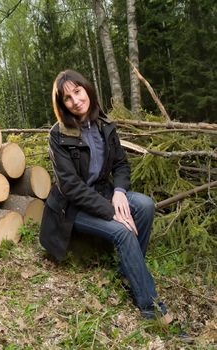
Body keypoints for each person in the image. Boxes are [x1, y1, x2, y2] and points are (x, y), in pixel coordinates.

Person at [39, 69, 173, 323]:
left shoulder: (105, 125)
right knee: (122, 230)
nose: (75, 100)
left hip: (103, 192)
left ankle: (127, 271)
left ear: (87, 89)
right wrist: (112, 212)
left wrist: (120, 192)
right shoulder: (58, 135)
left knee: (144, 205)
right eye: (67, 98)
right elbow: (70, 187)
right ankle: (151, 309)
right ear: (62, 105)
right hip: (72, 207)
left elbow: (121, 165)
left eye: (77, 91)